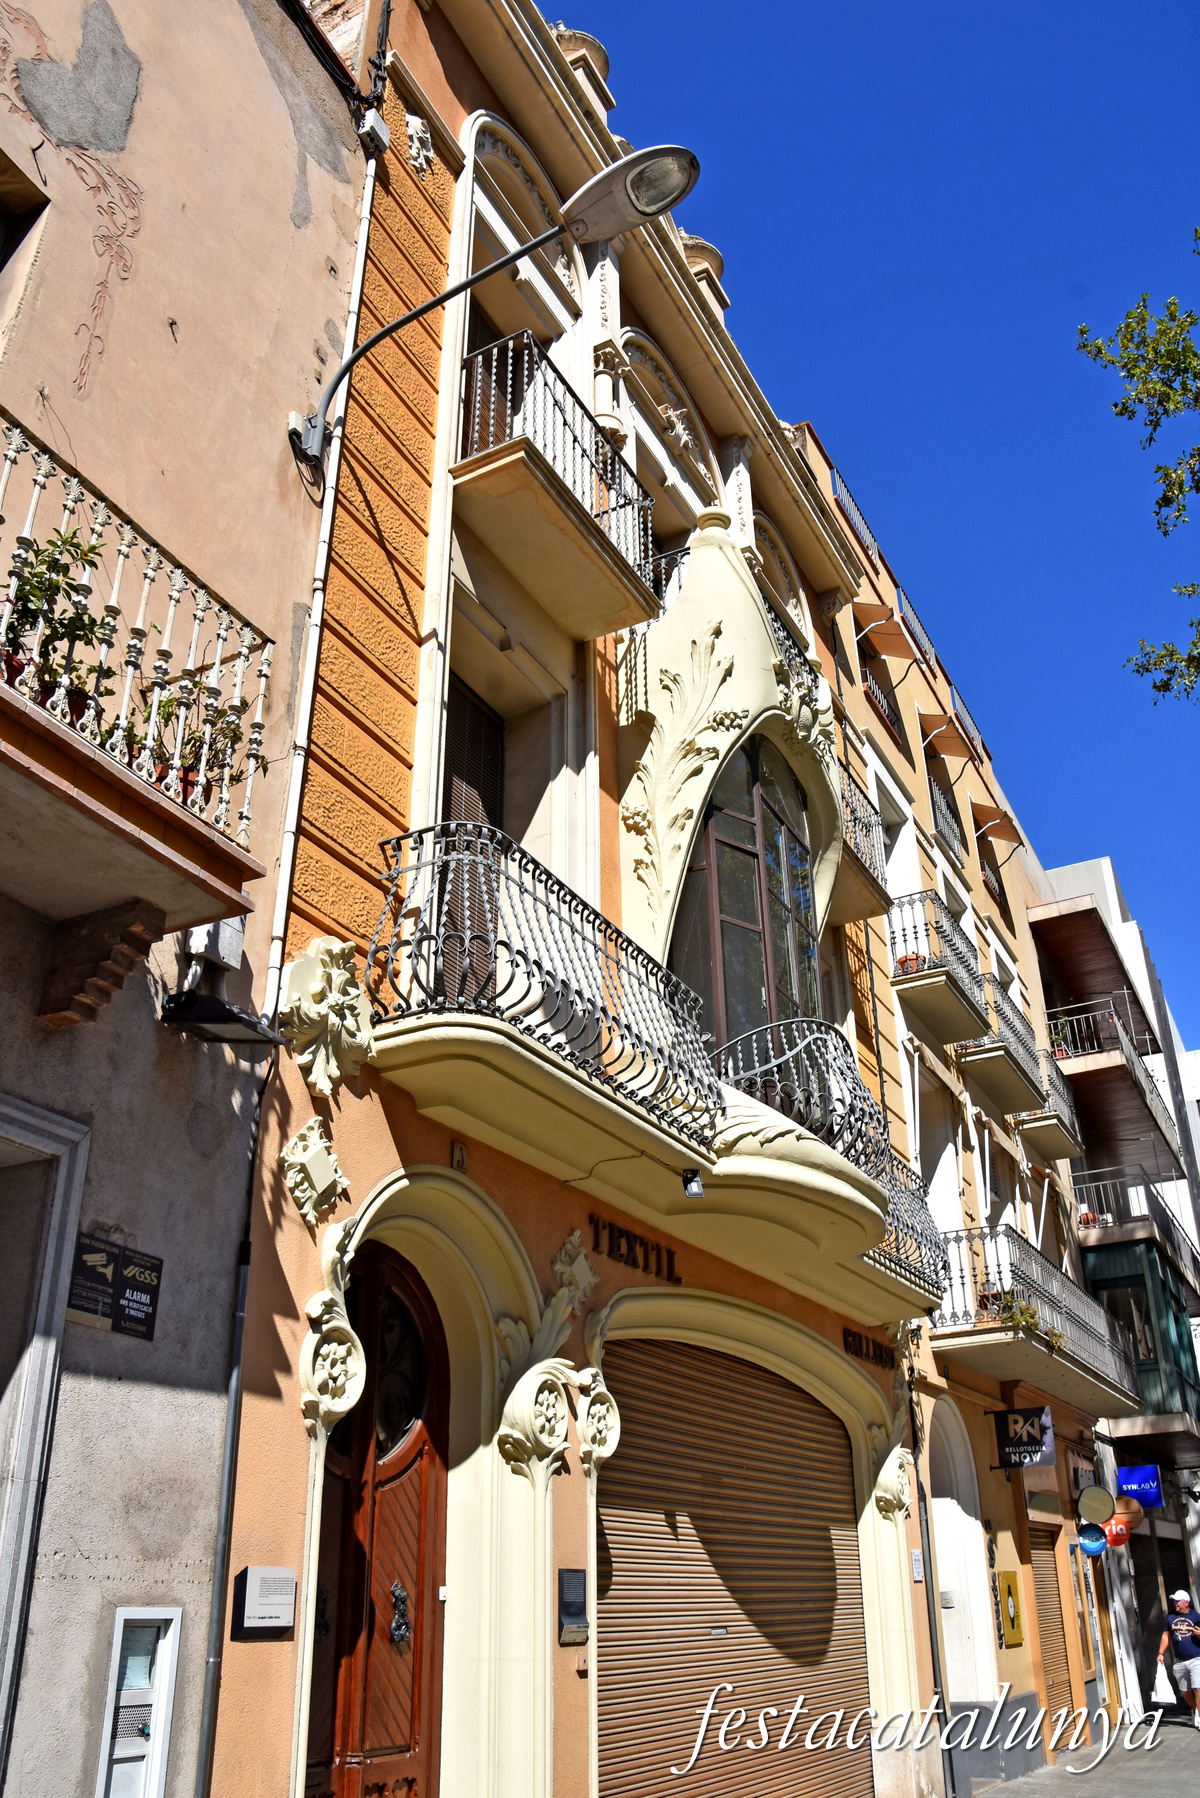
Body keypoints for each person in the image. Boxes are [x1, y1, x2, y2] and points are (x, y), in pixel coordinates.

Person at [1159, 1588, 1200, 1725]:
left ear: (1186, 1603)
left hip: (1196, 1658)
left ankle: (1199, 1717)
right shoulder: (1170, 1617)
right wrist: (1161, 1653)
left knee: (1198, 1688)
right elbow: (1166, 1635)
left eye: (1178, 1601)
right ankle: (1195, 1710)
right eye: (1174, 1601)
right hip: (1179, 1661)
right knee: (1185, 1691)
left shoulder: (1196, 1617)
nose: (1175, 1603)